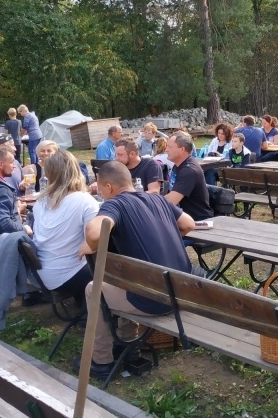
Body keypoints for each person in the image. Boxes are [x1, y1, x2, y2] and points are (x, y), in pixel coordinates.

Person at [74, 161, 195, 379]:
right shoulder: (158, 199)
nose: (101, 195)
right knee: (125, 282)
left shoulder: (115, 204)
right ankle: (129, 347)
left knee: (94, 289)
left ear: (109, 187)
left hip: (155, 301)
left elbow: (93, 233)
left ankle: (101, 361)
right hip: (181, 293)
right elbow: (188, 224)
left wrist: (91, 245)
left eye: (100, 190)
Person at [31, 150, 99, 307]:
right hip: (69, 274)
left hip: (42, 273)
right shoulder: (85, 201)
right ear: (75, 168)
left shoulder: (40, 201)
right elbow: (93, 241)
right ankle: (91, 309)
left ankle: (82, 305)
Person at [165, 132, 214, 221]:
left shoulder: (189, 170)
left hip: (197, 221)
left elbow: (171, 201)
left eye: (169, 147)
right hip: (182, 217)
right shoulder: (178, 166)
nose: (166, 150)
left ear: (182, 149)